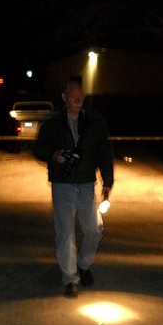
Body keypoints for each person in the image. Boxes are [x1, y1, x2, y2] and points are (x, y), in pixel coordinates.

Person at [33, 76, 114, 298]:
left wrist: (108, 181)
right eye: (72, 95)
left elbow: (105, 152)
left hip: (87, 183)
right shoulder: (52, 123)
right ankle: (70, 279)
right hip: (62, 184)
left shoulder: (95, 121)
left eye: (80, 96)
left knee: (94, 229)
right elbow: (38, 149)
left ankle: (84, 264)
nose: (77, 99)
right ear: (64, 97)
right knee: (65, 232)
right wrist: (54, 155)